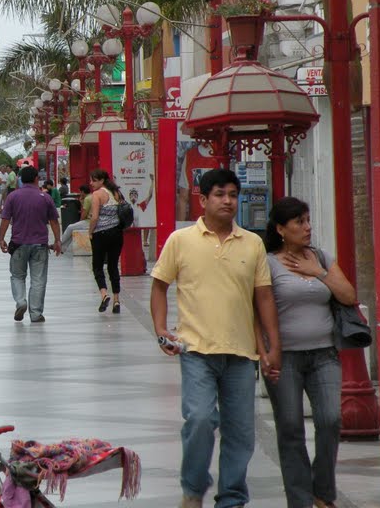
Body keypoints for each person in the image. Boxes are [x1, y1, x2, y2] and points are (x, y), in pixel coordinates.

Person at [150, 168, 281, 508]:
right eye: (220, 194)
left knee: (240, 432)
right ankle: (193, 490)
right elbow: (160, 286)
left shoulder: (252, 243)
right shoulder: (181, 240)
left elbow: (263, 297)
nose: (228, 201)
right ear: (203, 199)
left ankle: (232, 498)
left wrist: (273, 346)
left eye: (233, 195)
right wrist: (161, 329)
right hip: (196, 350)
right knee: (200, 420)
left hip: (241, 353)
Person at [261, 197, 355, 508]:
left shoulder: (321, 258)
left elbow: (349, 295)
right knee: (290, 427)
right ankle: (299, 499)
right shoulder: (269, 263)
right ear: (281, 229)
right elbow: (257, 311)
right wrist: (265, 352)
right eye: (299, 221)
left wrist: (317, 271)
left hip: (324, 355)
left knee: (330, 420)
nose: (307, 227)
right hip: (285, 358)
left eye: (308, 220)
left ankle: (323, 492)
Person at [0, 166, 61, 323]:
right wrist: (58, 240)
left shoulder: (13, 196)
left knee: (17, 276)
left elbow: (5, 219)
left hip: (18, 244)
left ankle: (21, 302)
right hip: (40, 244)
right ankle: (36, 313)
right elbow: (54, 221)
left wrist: (1, 238)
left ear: (20, 179)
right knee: (38, 279)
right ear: (36, 179)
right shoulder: (45, 197)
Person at [87, 169, 125, 314]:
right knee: (113, 266)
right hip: (117, 234)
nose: (91, 183)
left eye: (94, 180)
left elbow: (95, 217)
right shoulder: (116, 193)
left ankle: (104, 294)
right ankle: (116, 300)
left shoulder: (97, 195)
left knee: (97, 266)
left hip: (100, 234)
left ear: (102, 180)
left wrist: (90, 231)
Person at [59, 184, 92, 250]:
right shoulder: (91, 196)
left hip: (89, 222)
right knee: (73, 229)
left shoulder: (87, 199)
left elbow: (84, 213)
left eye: (80, 192)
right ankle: (62, 248)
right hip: (92, 221)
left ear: (82, 192)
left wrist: (80, 221)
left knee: (70, 227)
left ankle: (59, 244)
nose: (79, 193)